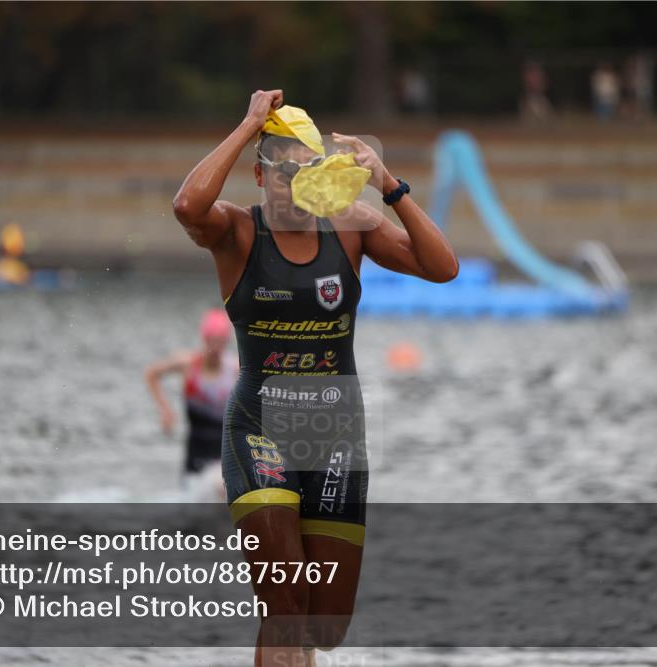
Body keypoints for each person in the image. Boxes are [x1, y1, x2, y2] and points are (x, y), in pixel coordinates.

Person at [173, 89, 458, 666]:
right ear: (260, 174)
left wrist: (389, 185)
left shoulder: (351, 226)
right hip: (259, 430)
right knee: (285, 603)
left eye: (306, 170)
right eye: (281, 171)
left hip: (336, 437)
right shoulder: (237, 232)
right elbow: (187, 206)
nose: (293, 184)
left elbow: (442, 267)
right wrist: (248, 124)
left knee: (324, 625)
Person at [144, 309, 238, 481]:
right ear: (204, 339)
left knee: (219, 486)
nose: (216, 348)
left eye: (221, 342)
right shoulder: (188, 363)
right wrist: (165, 411)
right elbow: (151, 373)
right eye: (212, 341)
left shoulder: (235, 368)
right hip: (195, 447)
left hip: (224, 447)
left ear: (227, 342)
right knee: (192, 490)